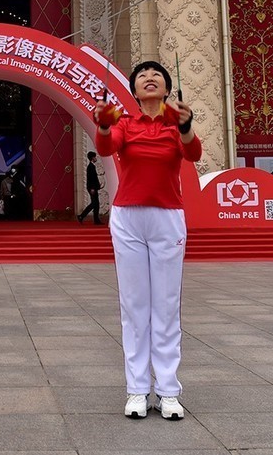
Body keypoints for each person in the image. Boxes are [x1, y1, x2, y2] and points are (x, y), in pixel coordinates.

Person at [94, 61, 202, 421]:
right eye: (142, 75)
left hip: (167, 218)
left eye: (157, 75)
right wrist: (104, 124)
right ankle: (138, 390)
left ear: (168, 89)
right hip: (128, 219)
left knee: (166, 306)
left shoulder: (176, 124)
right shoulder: (125, 123)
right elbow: (107, 146)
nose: (150, 78)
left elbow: (193, 153)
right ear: (134, 91)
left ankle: (169, 391)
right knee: (135, 307)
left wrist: (185, 127)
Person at [79, 151, 103, 224]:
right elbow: (91, 178)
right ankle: (81, 216)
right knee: (94, 203)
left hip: (93, 187)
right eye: (95, 157)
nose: (96, 158)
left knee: (96, 204)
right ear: (92, 158)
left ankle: (96, 220)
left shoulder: (92, 166)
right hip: (92, 188)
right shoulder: (90, 167)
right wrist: (92, 188)